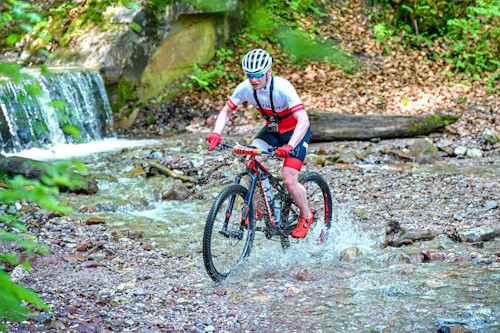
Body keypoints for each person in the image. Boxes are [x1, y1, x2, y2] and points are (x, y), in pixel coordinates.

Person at [206, 48, 313, 239]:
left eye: (257, 75)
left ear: (269, 71)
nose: (253, 79)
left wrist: (290, 146)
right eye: (249, 75)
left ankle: (306, 215)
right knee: (251, 161)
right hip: (272, 132)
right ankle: (258, 208)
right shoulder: (245, 88)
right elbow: (226, 111)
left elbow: (303, 120)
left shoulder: (283, 87)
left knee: (288, 179)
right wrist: (216, 133)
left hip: (295, 133)